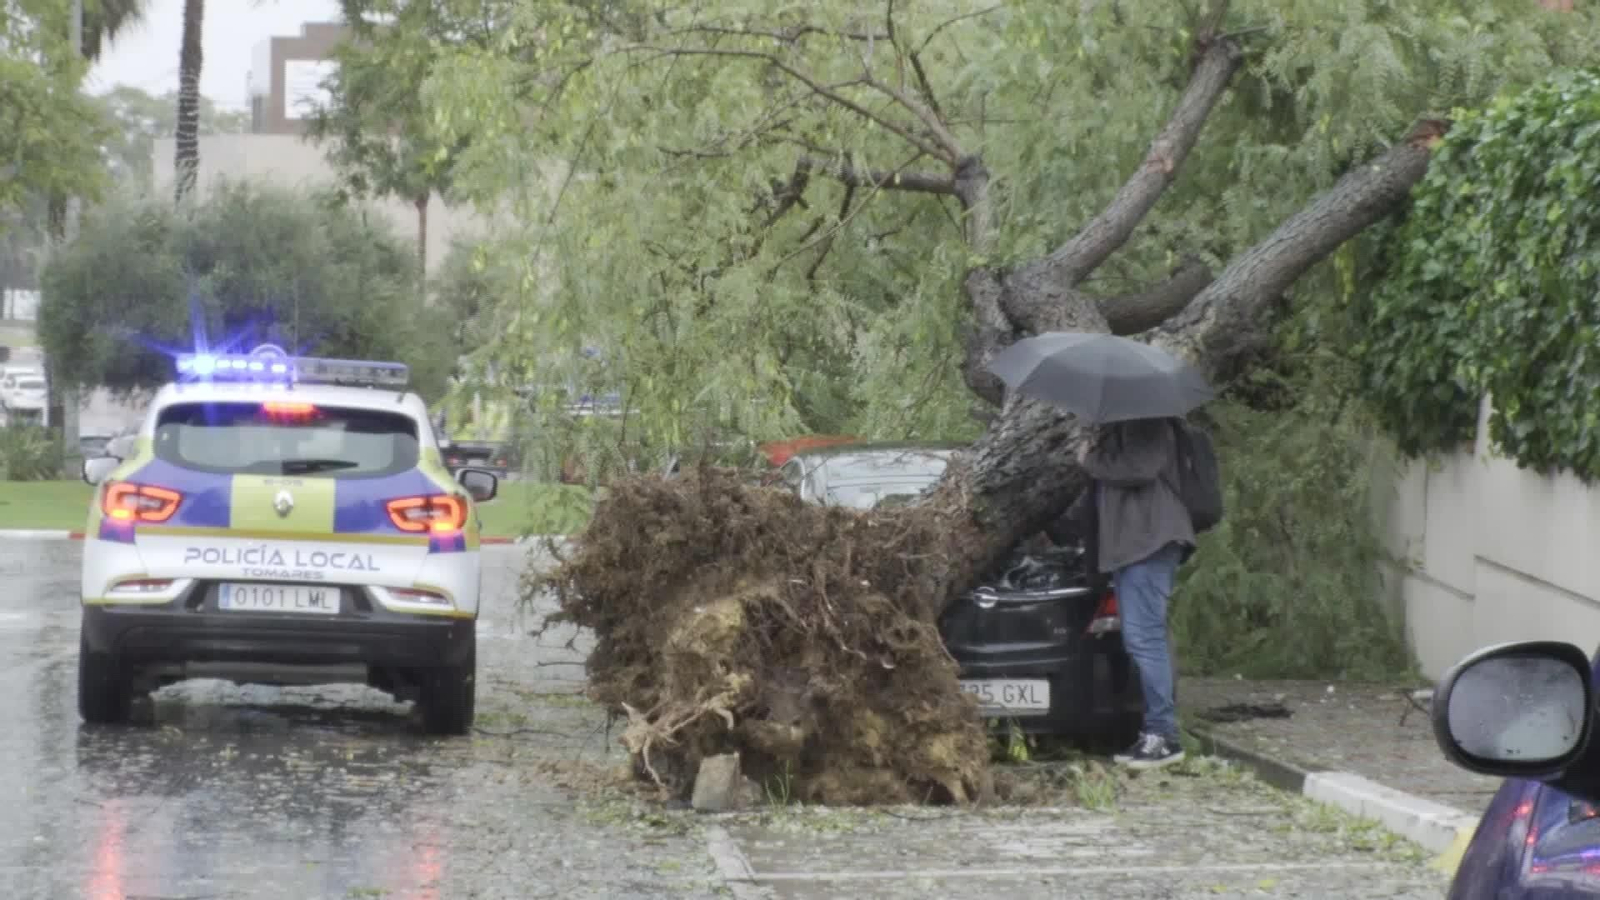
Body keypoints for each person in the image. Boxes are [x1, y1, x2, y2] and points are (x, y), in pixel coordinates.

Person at [1074, 416, 1196, 769]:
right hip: (1135, 544)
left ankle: (1164, 737)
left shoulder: (1144, 416)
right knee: (1139, 638)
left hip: (1149, 541)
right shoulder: (1124, 420)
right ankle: (1154, 733)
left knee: (1146, 638)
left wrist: (1089, 460)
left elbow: (1142, 467)